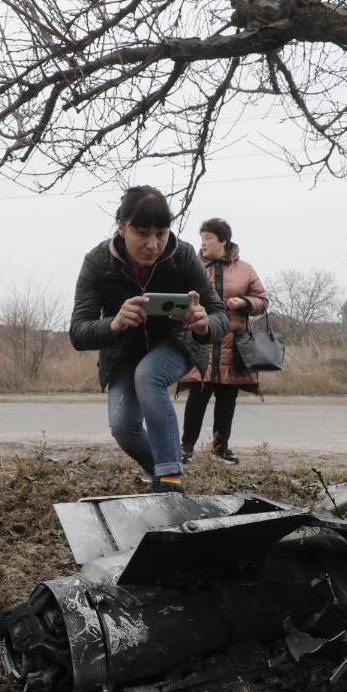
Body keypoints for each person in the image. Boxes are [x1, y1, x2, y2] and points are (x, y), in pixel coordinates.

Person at [69, 186, 229, 493]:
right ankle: (161, 475)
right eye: (142, 233)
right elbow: (78, 331)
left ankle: (170, 480)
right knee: (123, 428)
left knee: (149, 375)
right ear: (121, 227)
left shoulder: (182, 255)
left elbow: (218, 313)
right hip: (122, 353)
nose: (153, 244)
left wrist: (203, 323)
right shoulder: (98, 261)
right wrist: (113, 323)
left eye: (161, 232)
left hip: (177, 344)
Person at [178, 218, 269, 465]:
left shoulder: (245, 269)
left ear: (223, 241)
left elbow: (262, 300)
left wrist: (245, 303)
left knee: (227, 399)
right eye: (202, 238)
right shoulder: (193, 267)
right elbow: (178, 297)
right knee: (197, 396)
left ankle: (221, 448)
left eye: (208, 238)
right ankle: (186, 447)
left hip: (234, 347)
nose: (203, 243)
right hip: (201, 343)